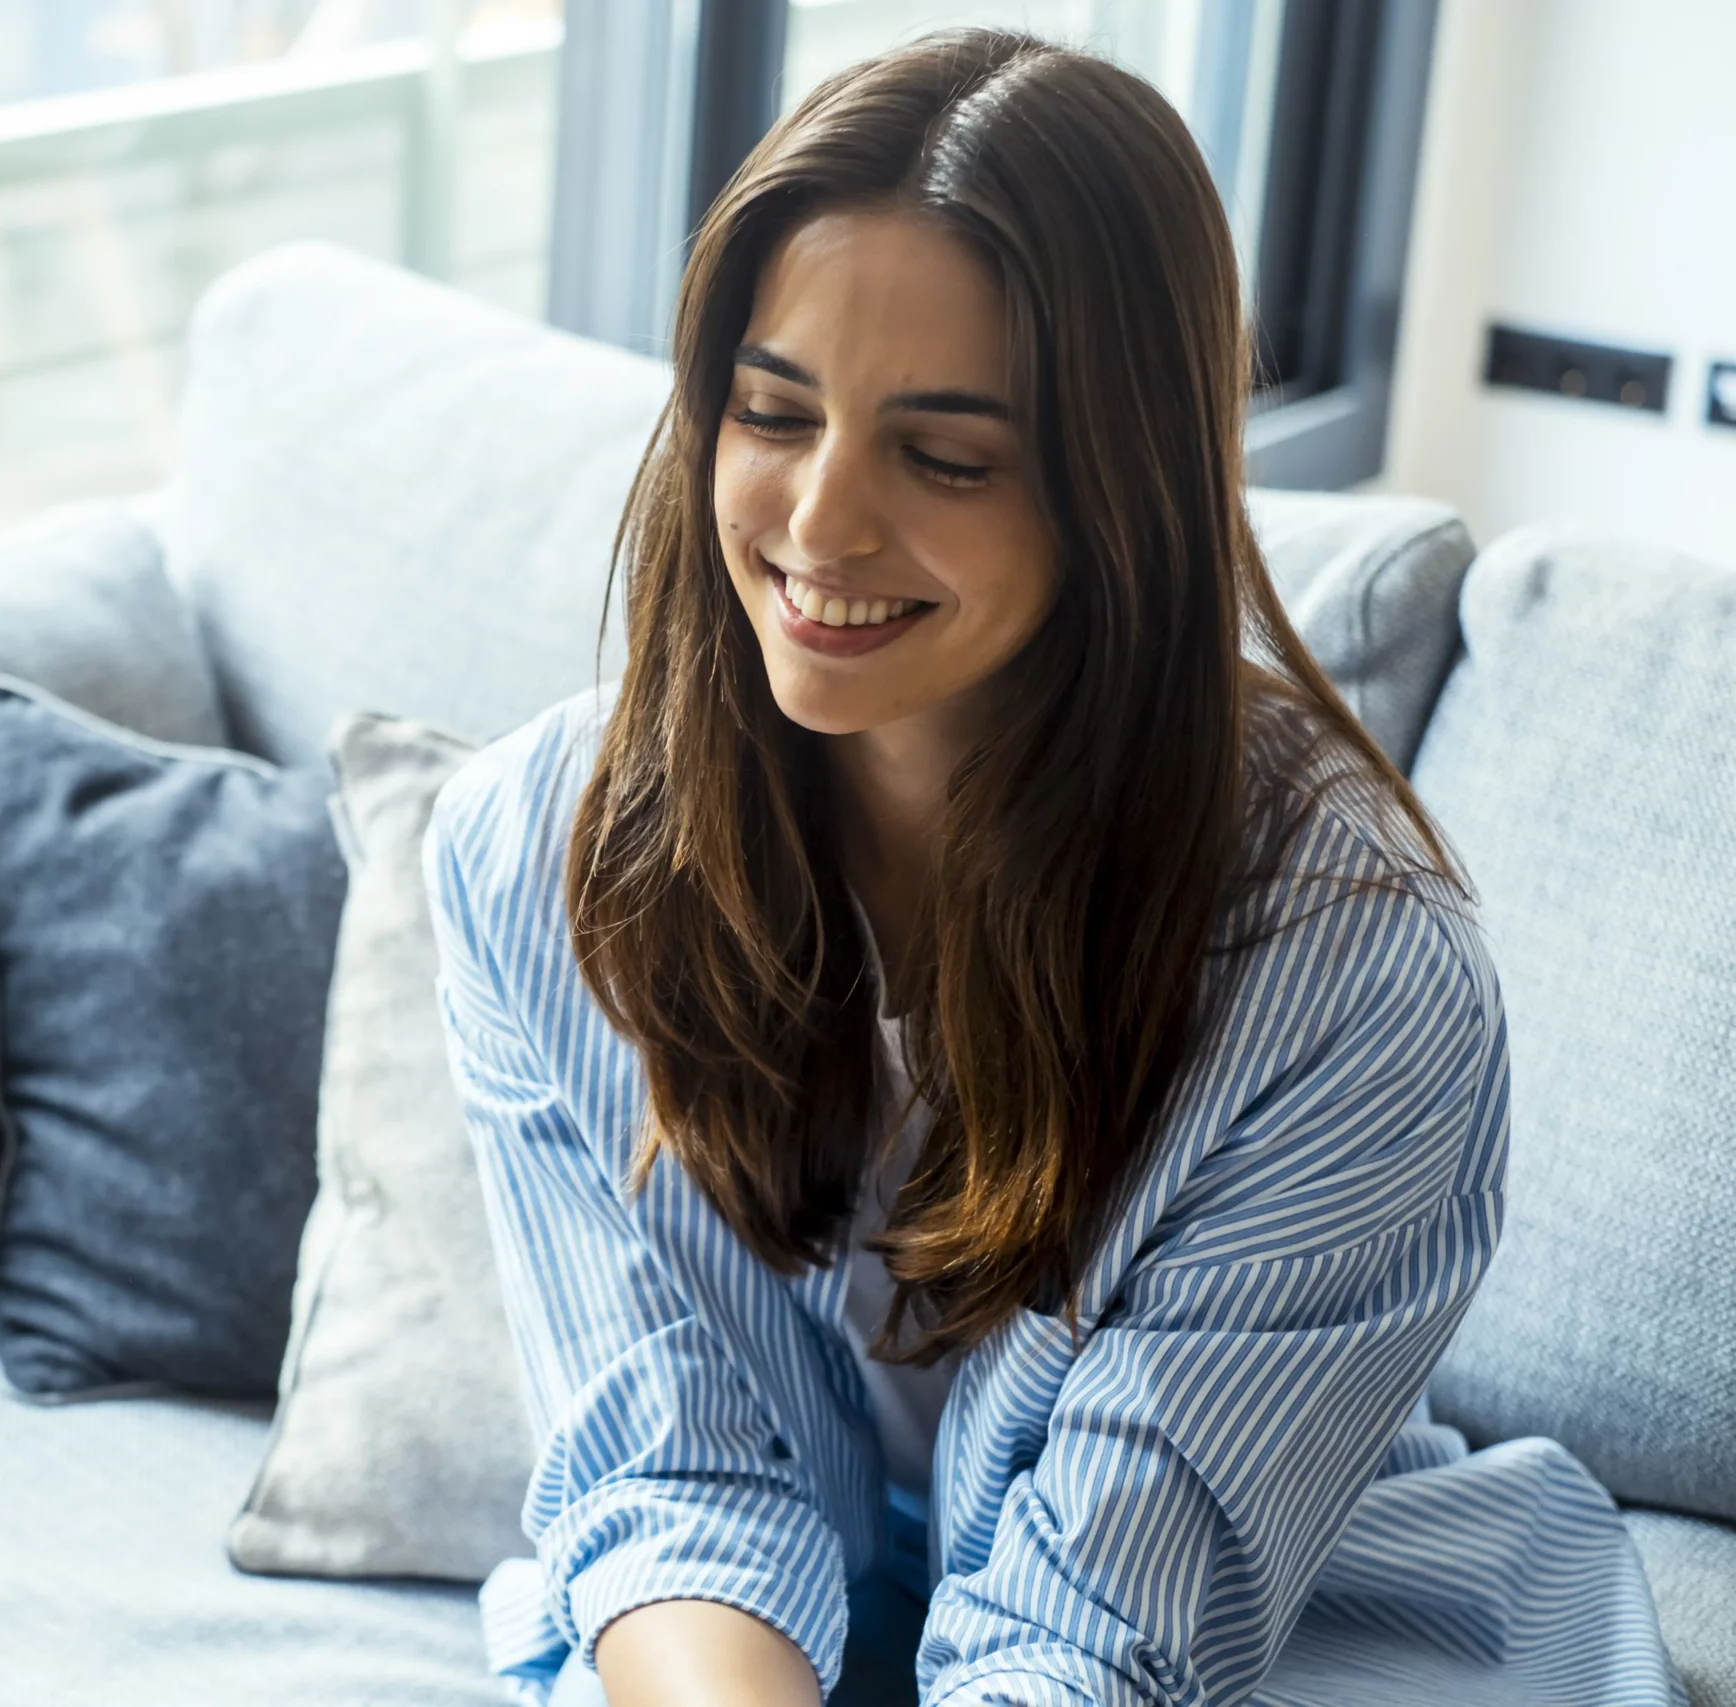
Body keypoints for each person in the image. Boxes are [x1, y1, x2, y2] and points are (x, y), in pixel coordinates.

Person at [423, 28, 1680, 1707]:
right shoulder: (534, 855)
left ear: (1123, 492)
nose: (817, 523)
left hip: (1267, 1627)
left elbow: (1100, 1636)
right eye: (771, 412)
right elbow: (676, 1479)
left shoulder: (1353, 977)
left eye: (945, 458)